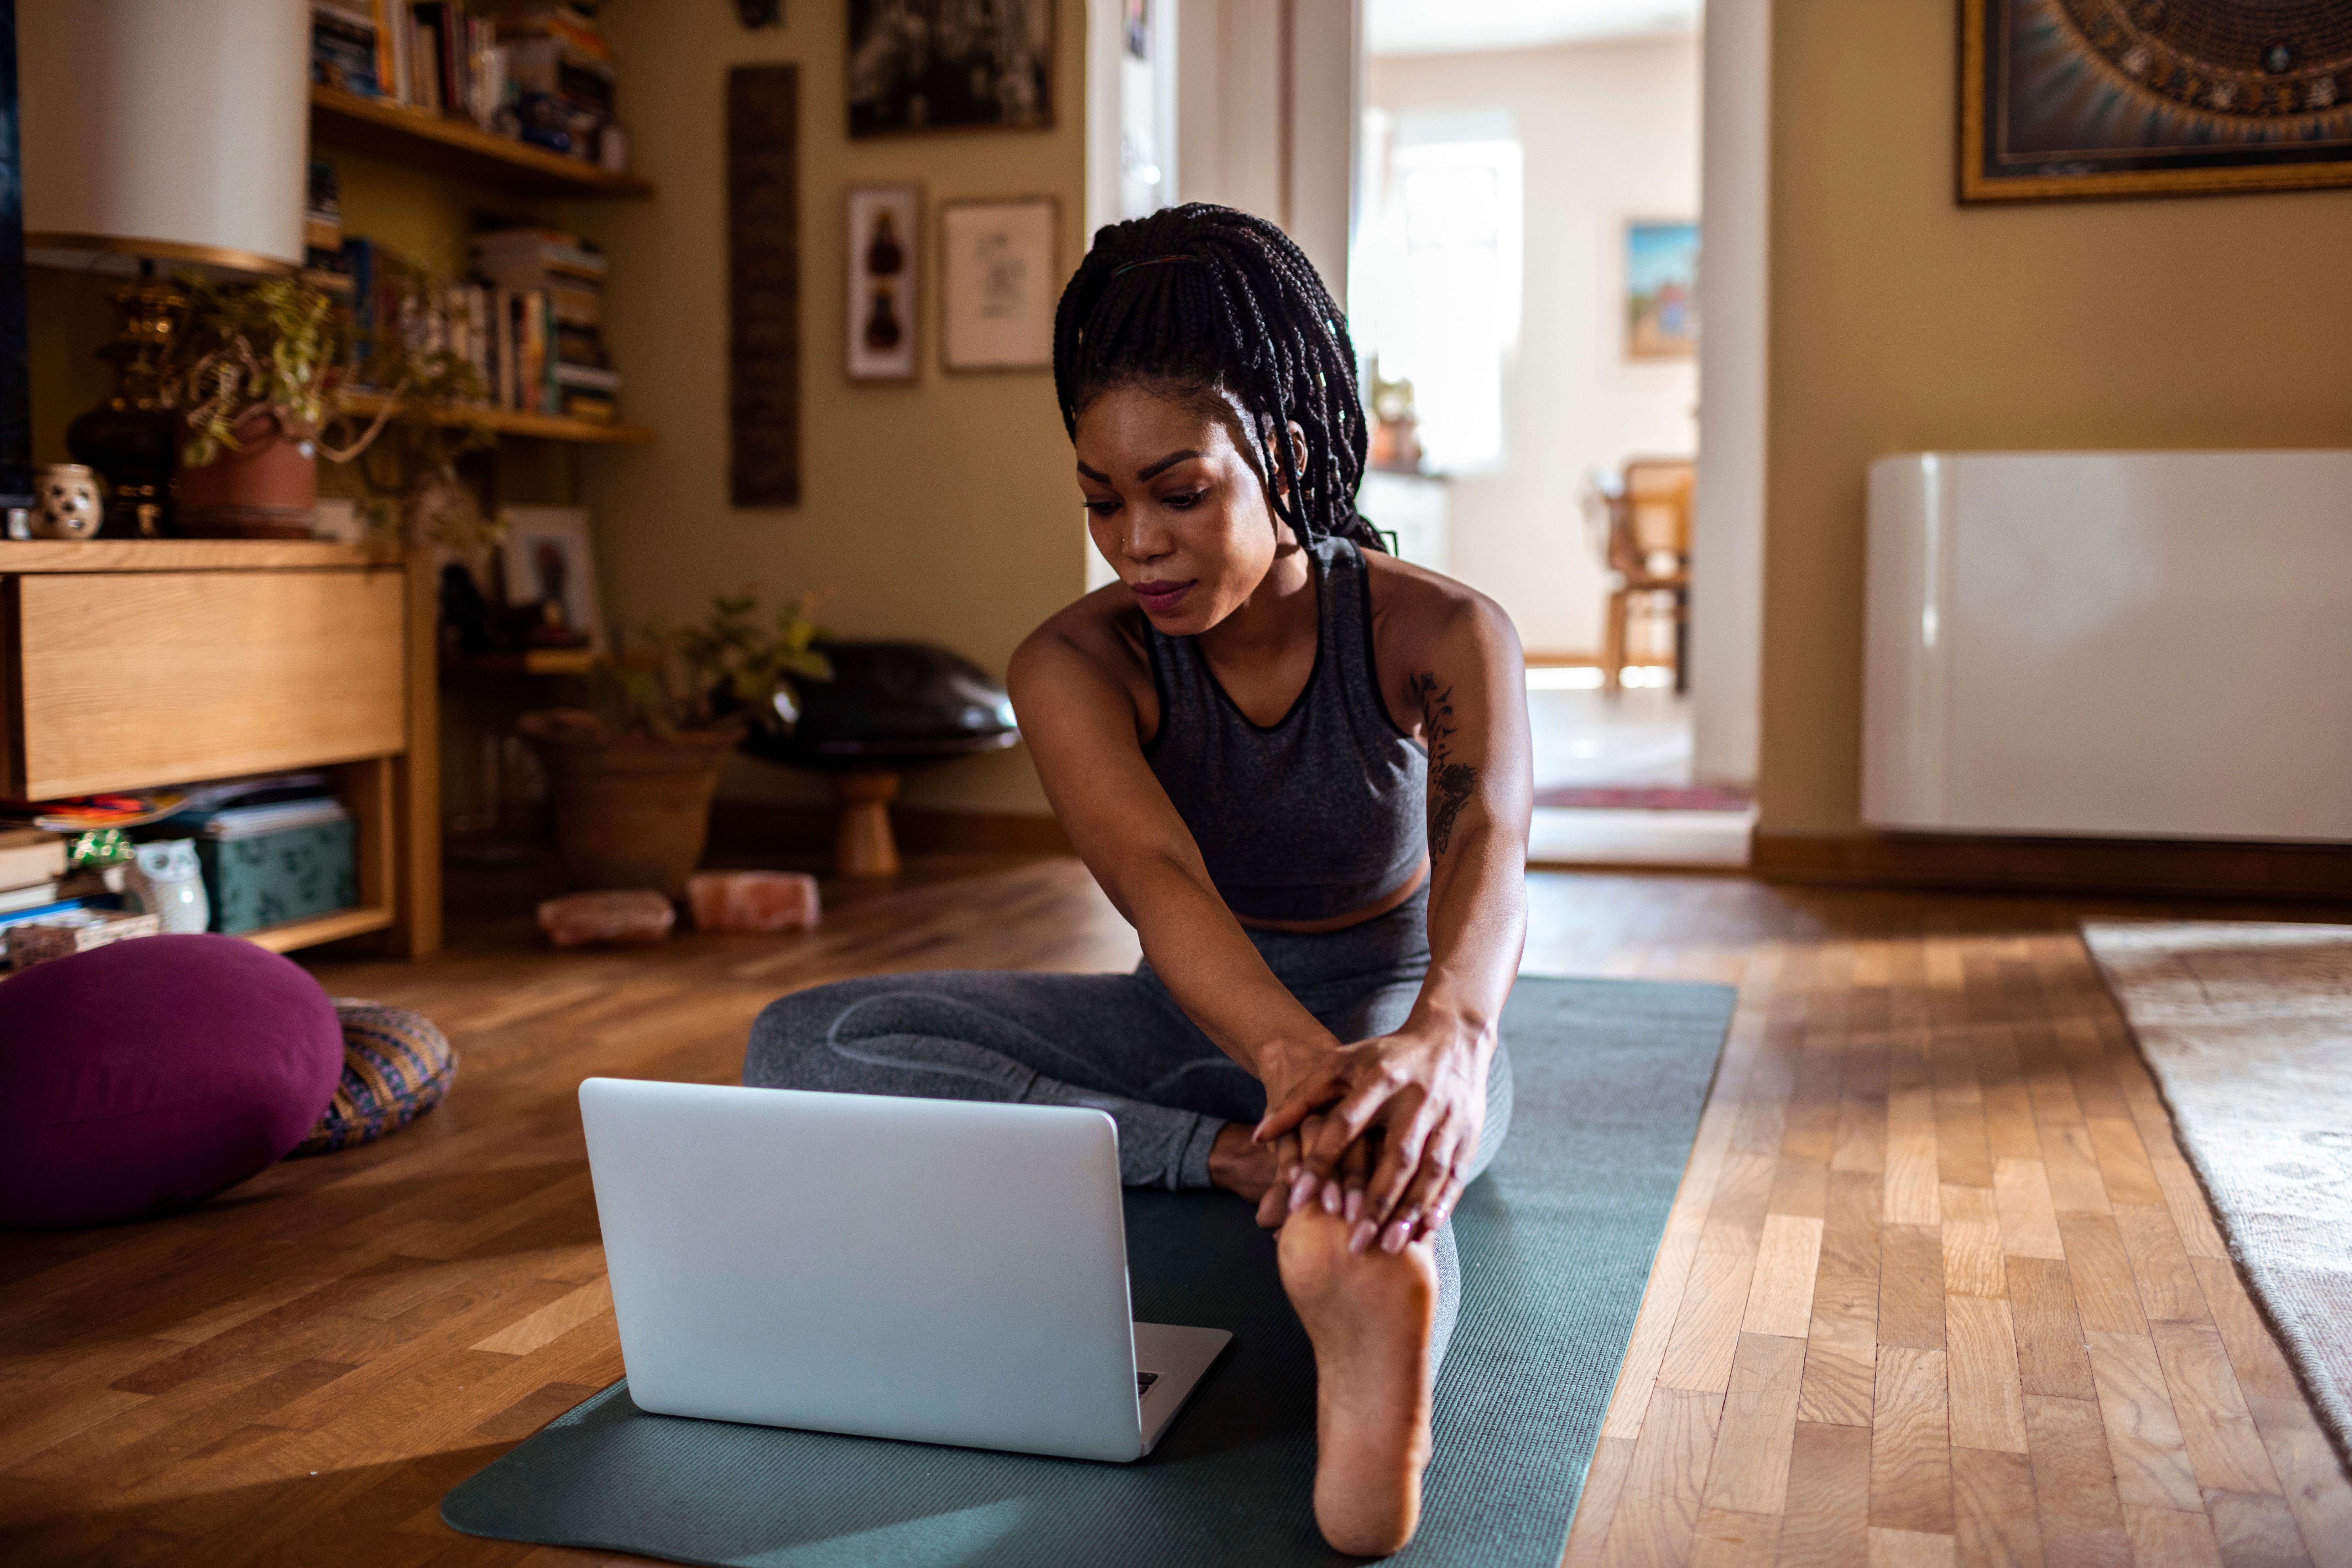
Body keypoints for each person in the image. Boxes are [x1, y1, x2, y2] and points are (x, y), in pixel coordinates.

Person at [744, 203, 1532, 1556]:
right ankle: (1235, 1161)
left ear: (1279, 454)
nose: (1138, 543)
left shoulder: (1438, 629)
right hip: (1187, 1020)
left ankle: (1366, 1301)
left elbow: (1485, 840)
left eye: (1180, 493)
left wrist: (1443, 1050)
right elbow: (1158, 881)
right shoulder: (1075, 664)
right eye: (1100, 501)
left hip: (1387, 1016)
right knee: (803, 1038)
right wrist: (1283, 1071)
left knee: (1386, 1157)